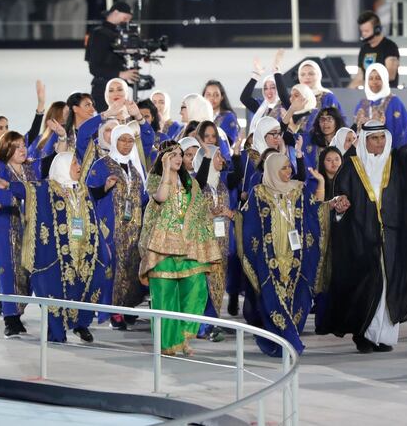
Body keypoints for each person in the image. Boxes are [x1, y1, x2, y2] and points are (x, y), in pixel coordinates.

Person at [318, 97, 407, 353]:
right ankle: (364, 334)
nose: (378, 143)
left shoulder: (397, 162)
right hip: (360, 238)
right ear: (364, 141)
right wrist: (340, 206)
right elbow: (340, 200)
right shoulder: (350, 167)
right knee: (366, 286)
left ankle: (383, 336)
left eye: (381, 138)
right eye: (373, 139)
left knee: (390, 285)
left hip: (392, 237)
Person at [0, 151, 113, 343]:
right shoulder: (48, 188)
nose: (79, 167)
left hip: (83, 254)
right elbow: (27, 189)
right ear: (63, 166)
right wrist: (7, 185)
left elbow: (94, 215)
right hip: (55, 256)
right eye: (74, 164)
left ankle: (81, 325)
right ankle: (56, 333)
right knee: (55, 291)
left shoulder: (83, 189)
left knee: (88, 286)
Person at [138, 144, 222, 356]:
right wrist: (167, 170)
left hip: (189, 246)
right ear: (163, 158)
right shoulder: (155, 179)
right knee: (165, 296)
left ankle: (183, 336)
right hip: (161, 247)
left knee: (196, 289)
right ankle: (168, 344)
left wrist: (210, 216)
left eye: (180, 154)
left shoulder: (190, 182)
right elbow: (162, 198)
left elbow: (198, 211)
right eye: (172, 155)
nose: (178, 158)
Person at [240, 153, 326, 356]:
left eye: (290, 167)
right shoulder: (259, 193)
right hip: (269, 260)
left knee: (298, 299)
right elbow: (248, 224)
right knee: (273, 299)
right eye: (284, 168)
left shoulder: (299, 190)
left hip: (298, 258)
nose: (289, 172)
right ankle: (290, 342)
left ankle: (286, 338)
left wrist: (322, 186)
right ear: (272, 170)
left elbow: (316, 211)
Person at [86, 125, 147, 331]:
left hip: (134, 228)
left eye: (130, 141)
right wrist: (105, 188)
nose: (127, 144)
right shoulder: (102, 165)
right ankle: (113, 311)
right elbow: (89, 193)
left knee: (131, 267)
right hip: (110, 227)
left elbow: (144, 197)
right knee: (113, 268)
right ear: (114, 141)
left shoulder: (135, 167)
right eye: (122, 140)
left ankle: (127, 307)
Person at [193, 143, 243, 341]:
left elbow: (237, 175)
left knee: (217, 283)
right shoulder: (196, 183)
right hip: (203, 243)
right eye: (218, 156)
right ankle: (201, 326)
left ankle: (212, 322)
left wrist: (237, 154)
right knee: (203, 285)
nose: (222, 160)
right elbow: (192, 210)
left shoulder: (220, 184)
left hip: (222, 242)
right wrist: (209, 214)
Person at [84, 1, 137, 112]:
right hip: (103, 91)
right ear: (116, 12)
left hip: (114, 90)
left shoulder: (118, 34)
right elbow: (94, 68)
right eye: (125, 18)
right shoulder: (100, 34)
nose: (127, 22)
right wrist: (121, 74)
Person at [353, 63, 407, 148]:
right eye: (371, 78)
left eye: (378, 78)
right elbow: (355, 131)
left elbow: (402, 130)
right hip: (364, 156)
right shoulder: (362, 104)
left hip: (390, 154)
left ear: (384, 79)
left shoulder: (394, 102)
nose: (374, 82)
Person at [348, 11, 400, 88]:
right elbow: (360, 76)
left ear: (377, 30)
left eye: (366, 31)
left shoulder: (390, 46)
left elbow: (390, 75)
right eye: (362, 31)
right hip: (367, 95)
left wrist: (367, 82)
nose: (363, 34)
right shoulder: (364, 48)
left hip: (386, 95)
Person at [201, 80, 240, 146]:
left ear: (221, 97)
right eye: (208, 95)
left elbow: (230, 141)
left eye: (216, 95)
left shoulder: (228, 116)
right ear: (203, 97)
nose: (212, 98)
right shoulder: (199, 117)